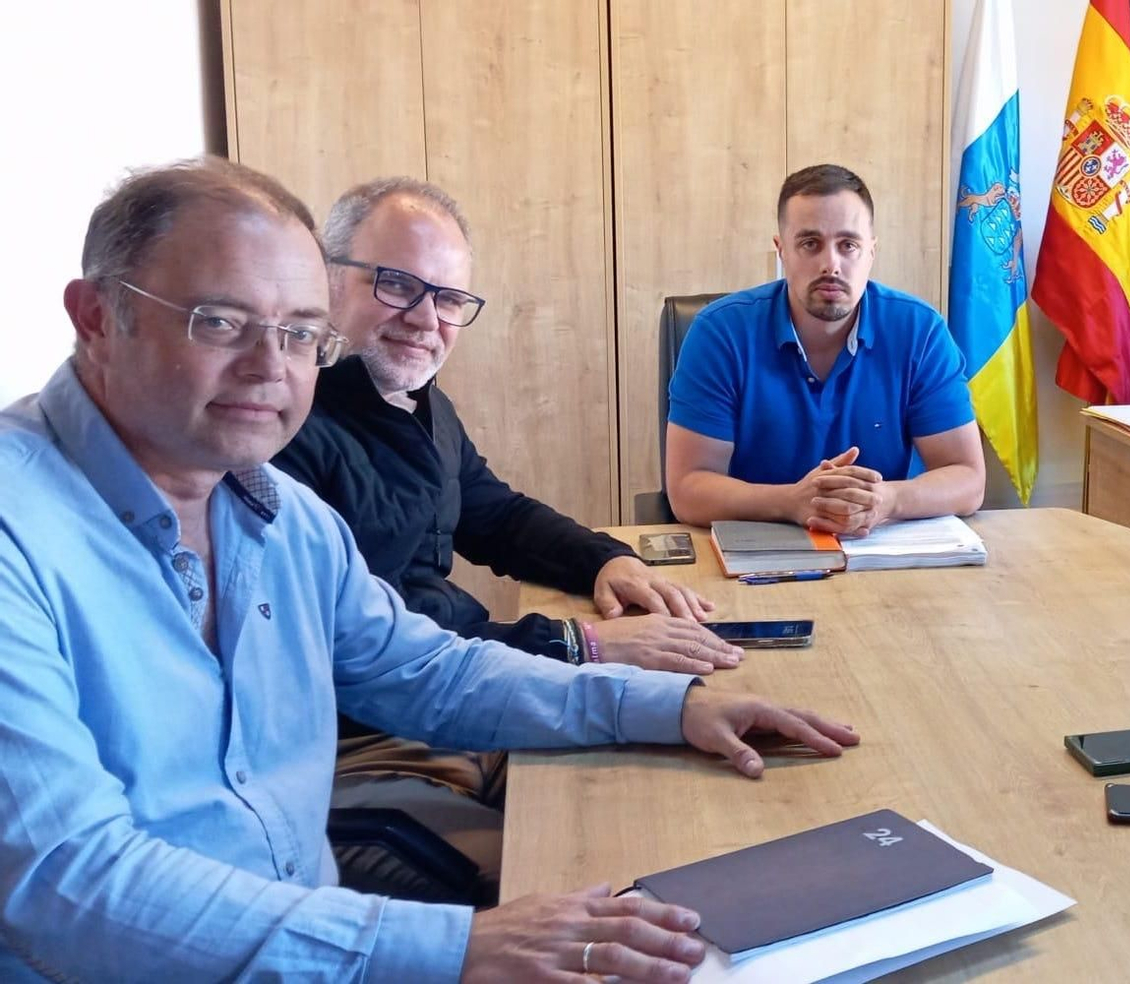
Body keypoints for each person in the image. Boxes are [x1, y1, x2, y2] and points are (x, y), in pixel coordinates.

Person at [0, 157, 859, 982]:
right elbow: (66, 885)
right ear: (97, 316)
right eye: (220, 321)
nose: (272, 367)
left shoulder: (281, 516)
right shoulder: (19, 530)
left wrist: (669, 707)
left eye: (299, 333)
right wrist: (454, 949)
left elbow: (425, 671)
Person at [273, 177, 741, 888]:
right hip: (363, 737)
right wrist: (574, 643)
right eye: (398, 284)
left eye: (449, 298)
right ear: (328, 278)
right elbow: (386, 650)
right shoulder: (287, 433)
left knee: (672, 794)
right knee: (605, 855)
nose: (425, 318)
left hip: (446, 692)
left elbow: (493, 512)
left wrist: (603, 563)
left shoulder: (411, 398)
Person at [663, 164, 984, 535]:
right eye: (810, 244)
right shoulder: (719, 334)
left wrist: (887, 500)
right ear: (781, 250)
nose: (831, 264)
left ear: (871, 252)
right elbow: (688, 489)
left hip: (880, 552)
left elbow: (968, 479)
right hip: (758, 551)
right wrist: (792, 502)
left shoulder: (920, 332)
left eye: (848, 245)